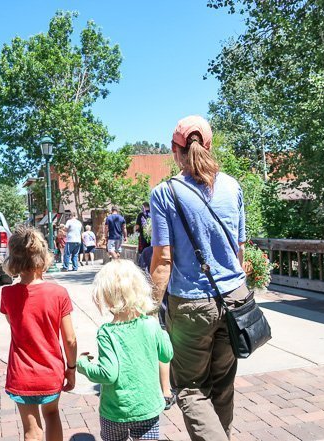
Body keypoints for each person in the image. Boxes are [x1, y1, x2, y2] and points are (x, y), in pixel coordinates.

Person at [150, 115, 250, 441]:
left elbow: (163, 259)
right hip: (234, 297)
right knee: (222, 385)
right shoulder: (233, 186)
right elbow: (240, 251)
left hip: (191, 304)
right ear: (209, 145)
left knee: (191, 389)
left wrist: (150, 309)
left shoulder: (165, 193)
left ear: (174, 150)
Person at [77, 259, 173, 441]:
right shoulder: (151, 325)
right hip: (148, 407)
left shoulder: (107, 333)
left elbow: (107, 375)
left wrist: (83, 364)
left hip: (115, 411)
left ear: (105, 295)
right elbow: (166, 354)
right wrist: (164, 334)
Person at [0, 226, 78, 441]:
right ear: (43, 257)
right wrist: (71, 369)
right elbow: (70, 339)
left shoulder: (7, 294)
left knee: (31, 430)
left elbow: (15, 326)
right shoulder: (59, 293)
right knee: (52, 414)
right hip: (50, 370)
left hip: (22, 374)